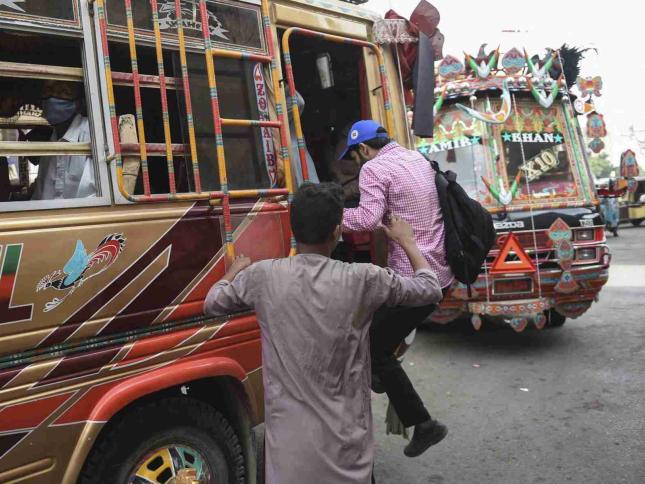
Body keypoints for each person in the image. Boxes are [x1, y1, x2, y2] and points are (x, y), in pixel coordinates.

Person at [204, 183, 442, 484]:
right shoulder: (363, 278)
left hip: (289, 455)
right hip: (347, 450)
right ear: (337, 231)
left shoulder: (262, 276)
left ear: (294, 229)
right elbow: (429, 288)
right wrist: (406, 241)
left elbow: (213, 302)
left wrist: (234, 271)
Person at [339, 120, 454, 458]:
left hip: (410, 282)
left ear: (363, 149)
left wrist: (325, 217)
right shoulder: (416, 158)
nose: (357, 163)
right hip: (439, 273)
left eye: (354, 157)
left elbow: (366, 219)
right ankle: (381, 376)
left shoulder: (374, 169)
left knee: (370, 347)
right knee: (374, 339)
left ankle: (424, 424)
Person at [31, 80, 96, 200]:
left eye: (63, 91)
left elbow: (93, 197)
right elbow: (40, 197)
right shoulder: (50, 144)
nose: (52, 98)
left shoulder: (91, 134)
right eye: (48, 91)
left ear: (79, 103)